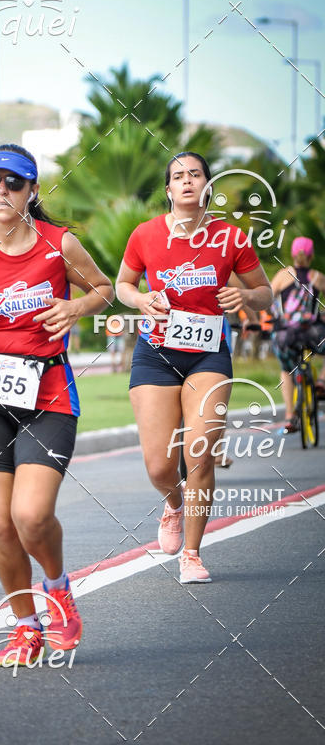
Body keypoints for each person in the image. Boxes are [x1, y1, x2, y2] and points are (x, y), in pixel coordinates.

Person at [0, 143, 113, 664]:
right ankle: (26, 628)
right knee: (0, 524)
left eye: (13, 183)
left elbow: (104, 289)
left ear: (32, 190)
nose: (1, 191)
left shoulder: (59, 244)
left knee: (30, 515)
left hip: (48, 393)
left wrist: (76, 307)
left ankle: (58, 589)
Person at [116, 152, 272, 584]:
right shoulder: (145, 234)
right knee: (159, 467)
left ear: (208, 185)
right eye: (178, 176)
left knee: (199, 455)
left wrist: (246, 298)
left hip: (208, 354)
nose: (187, 181)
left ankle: (192, 553)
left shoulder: (231, 238)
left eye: (196, 174)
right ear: (168, 189)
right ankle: (173, 503)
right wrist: (141, 298)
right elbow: (123, 284)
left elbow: (264, 292)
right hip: (156, 353)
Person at [270, 236, 325, 433]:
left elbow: (267, 298)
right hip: (313, 332)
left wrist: (272, 318)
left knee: (286, 370)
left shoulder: (283, 275)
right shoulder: (317, 277)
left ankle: (289, 416)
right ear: (311, 256)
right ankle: (322, 381)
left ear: (293, 254)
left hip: (286, 335)